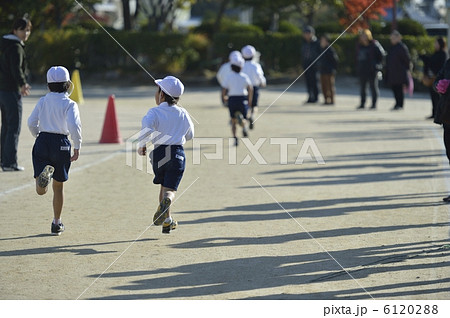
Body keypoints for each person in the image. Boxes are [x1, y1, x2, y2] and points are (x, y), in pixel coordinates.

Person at [27, 66, 82, 235]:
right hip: (61, 143)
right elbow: (74, 125)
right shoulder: (70, 103)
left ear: (48, 85)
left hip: (43, 140)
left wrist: (38, 135)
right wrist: (77, 146)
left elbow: (31, 122)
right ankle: (56, 223)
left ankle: (41, 183)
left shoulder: (43, 101)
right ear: (67, 85)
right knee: (58, 187)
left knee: (41, 190)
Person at [137, 76, 194, 234]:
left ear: (161, 94)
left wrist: (142, 145)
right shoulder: (183, 113)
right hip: (176, 153)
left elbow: (146, 127)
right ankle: (168, 201)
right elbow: (191, 135)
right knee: (170, 189)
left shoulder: (154, 112)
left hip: (159, 153)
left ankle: (167, 221)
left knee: (163, 185)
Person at [0, 17, 32, 171]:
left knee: (6, 126)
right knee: (13, 126)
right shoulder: (16, 47)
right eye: (23, 30)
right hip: (11, 91)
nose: (26, 33)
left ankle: (3, 160)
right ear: (15, 30)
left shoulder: (3, 43)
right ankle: (10, 163)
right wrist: (23, 83)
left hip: (1, 90)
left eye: (28, 30)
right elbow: (16, 69)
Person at [221, 54, 253, 146]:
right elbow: (250, 88)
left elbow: (224, 89)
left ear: (231, 67)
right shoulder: (244, 76)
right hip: (242, 98)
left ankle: (235, 137)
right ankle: (244, 126)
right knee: (245, 116)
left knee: (233, 120)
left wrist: (224, 98)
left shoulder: (229, 77)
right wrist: (249, 99)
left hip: (232, 99)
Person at [433, 58, 450, 202]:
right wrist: (439, 85)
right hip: (447, 115)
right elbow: (437, 79)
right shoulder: (448, 62)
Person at [355, 29, 385, 110]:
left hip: (372, 70)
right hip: (362, 69)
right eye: (362, 36)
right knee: (363, 87)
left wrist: (377, 65)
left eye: (364, 35)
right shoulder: (359, 45)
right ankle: (362, 103)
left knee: (373, 87)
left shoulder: (374, 44)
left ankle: (374, 104)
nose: (363, 37)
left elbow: (382, 55)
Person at [420, 37, 447, 119]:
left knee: (438, 98)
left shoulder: (443, 54)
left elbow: (440, 66)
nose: (435, 45)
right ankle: (434, 113)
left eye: (436, 43)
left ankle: (439, 114)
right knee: (433, 97)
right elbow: (430, 61)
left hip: (438, 80)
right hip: (431, 79)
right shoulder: (435, 53)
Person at [241, 44, 266, 129]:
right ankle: (252, 116)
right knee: (254, 106)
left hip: (243, 88)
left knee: (245, 106)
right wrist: (263, 82)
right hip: (254, 87)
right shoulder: (256, 65)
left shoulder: (241, 66)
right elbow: (260, 76)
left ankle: (244, 124)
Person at [385, 30, 411, 111]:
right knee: (394, 88)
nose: (392, 40)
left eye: (393, 38)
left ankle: (400, 104)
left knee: (399, 89)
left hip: (400, 72)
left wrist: (406, 70)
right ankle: (397, 103)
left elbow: (407, 60)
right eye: (391, 38)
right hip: (393, 72)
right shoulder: (392, 47)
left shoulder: (402, 47)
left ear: (398, 38)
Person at [301, 25, 321, 104]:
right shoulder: (304, 43)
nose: (306, 35)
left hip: (314, 65)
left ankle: (315, 97)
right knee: (308, 81)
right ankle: (310, 96)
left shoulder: (316, 43)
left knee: (315, 81)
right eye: (305, 33)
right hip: (306, 64)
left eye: (308, 33)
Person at [318, 35, 338, 105]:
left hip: (329, 71)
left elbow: (335, 60)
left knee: (330, 86)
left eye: (323, 40)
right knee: (323, 87)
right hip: (322, 71)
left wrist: (332, 68)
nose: (322, 42)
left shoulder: (330, 49)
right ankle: (326, 100)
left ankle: (332, 100)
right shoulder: (321, 49)